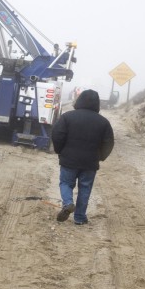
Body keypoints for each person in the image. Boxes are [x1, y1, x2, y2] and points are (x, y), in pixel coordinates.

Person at [51, 89, 114, 225]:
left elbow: (57, 135)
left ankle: (68, 203)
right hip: (90, 162)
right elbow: (109, 142)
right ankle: (79, 218)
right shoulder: (103, 122)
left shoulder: (67, 117)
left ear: (79, 101)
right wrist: (100, 156)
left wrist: (60, 150)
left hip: (69, 159)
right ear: (97, 104)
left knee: (66, 183)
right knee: (85, 188)